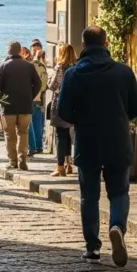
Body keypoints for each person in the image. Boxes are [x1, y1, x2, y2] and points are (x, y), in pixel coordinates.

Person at [56, 26, 137, 267]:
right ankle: (117, 226)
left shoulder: (73, 74)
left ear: (83, 46)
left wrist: (80, 119)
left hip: (87, 141)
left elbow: (62, 110)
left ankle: (92, 247)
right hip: (117, 139)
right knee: (118, 192)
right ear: (106, 43)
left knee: (89, 197)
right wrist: (119, 115)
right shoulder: (123, 72)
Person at [0, 41, 42, 170]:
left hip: (7, 106)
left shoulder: (2, 66)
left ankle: (12, 161)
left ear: (8, 52)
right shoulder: (29, 66)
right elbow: (38, 84)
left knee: (10, 135)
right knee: (23, 133)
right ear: (20, 51)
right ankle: (22, 160)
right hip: (25, 105)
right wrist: (30, 96)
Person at [47, 44, 77, 177]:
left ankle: (60, 167)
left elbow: (54, 85)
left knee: (60, 135)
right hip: (73, 104)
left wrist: (49, 79)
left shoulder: (60, 67)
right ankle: (68, 163)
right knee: (69, 135)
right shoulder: (76, 66)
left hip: (60, 103)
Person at [28, 49, 49, 156]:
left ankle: (33, 146)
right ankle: (38, 146)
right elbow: (44, 83)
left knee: (31, 123)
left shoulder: (30, 65)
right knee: (37, 123)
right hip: (38, 98)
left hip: (30, 98)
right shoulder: (41, 66)